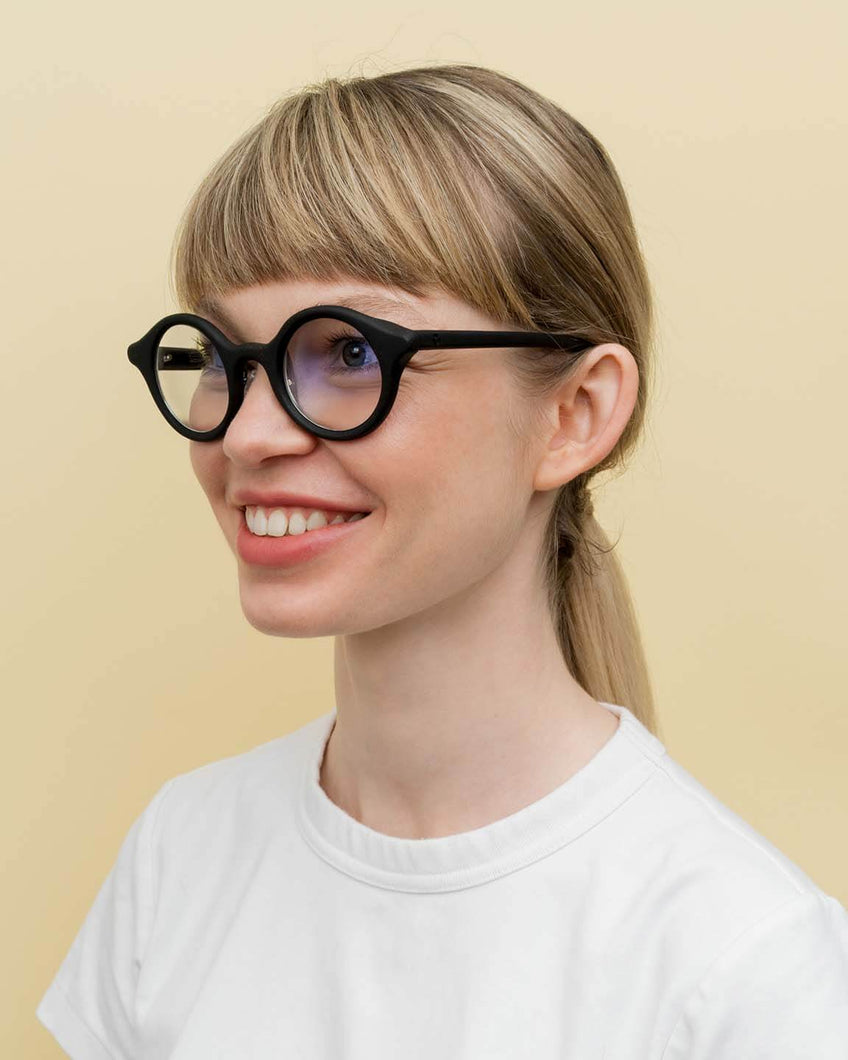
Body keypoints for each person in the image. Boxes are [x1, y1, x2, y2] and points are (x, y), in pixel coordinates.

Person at [37, 62, 848, 1058]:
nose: (245, 433)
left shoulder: (742, 965)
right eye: (217, 357)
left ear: (573, 414)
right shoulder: (184, 849)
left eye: (347, 353)